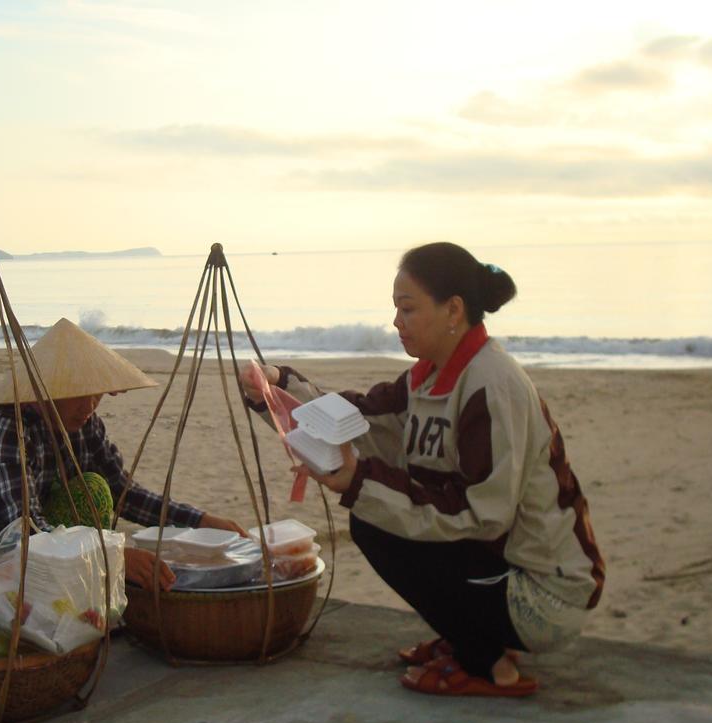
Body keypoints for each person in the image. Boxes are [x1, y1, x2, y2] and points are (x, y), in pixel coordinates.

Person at [241, 242, 604, 697]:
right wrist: (275, 387)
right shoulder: (430, 376)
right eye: (396, 309)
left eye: (407, 309)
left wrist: (361, 483)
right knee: (376, 519)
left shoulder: (491, 385)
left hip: (544, 594)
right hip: (501, 565)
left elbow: (483, 514)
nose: (396, 323)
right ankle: (473, 637)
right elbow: (362, 419)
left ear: (453, 310)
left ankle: (489, 664)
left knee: (375, 519)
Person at [0, 318, 245, 596]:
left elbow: (124, 493)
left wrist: (200, 521)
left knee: (93, 488)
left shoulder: (86, 427)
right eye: (77, 396)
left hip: (22, 556)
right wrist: (112, 554)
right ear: (41, 396)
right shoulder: (7, 431)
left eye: (95, 396)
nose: (88, 407)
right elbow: (21, 528)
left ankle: (77, 589)